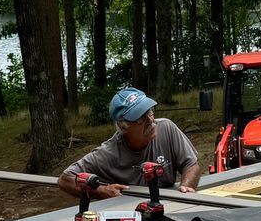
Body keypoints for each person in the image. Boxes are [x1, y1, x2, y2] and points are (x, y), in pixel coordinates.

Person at [57, 86, 201, 200]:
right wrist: (100, 191)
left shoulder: (166, 128)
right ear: (122, 126)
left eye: (149, 112)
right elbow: (65, 180)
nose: (150, 121)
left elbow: (191, 165)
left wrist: (186, 187)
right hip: (132, 218)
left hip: (169, 205)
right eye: (140, 117)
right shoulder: (107, 153)